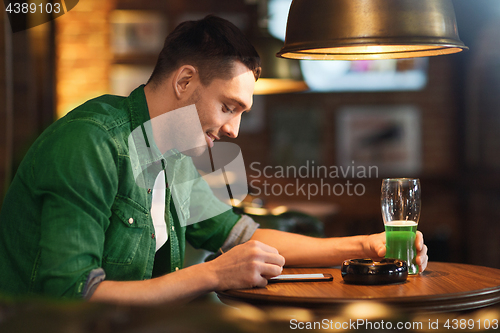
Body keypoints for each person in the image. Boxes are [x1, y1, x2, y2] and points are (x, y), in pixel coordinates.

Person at [0, 15, 428, 305]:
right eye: (229, 107)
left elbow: (240, 236)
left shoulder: (172, 149)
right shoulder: (90, 143)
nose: (234, 131)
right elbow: (72, 295)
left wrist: (365, 246)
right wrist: (213, 275)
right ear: (185, 80)